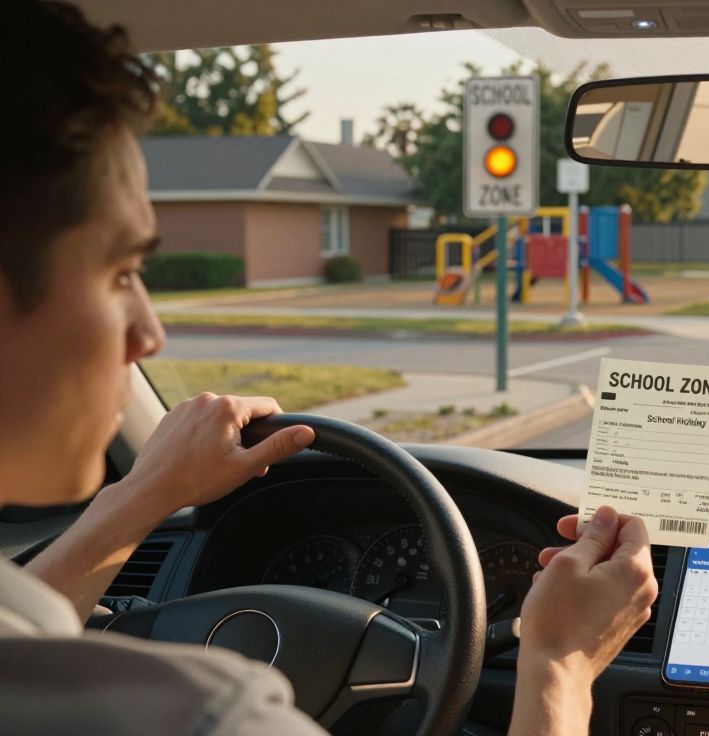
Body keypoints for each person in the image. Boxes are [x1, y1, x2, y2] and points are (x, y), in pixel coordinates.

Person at [0, 1, 659, 734]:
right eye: (122, 272)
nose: (149, 333)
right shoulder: (204, 715)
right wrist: (559, 666)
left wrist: (146, 490)